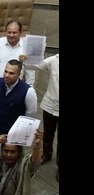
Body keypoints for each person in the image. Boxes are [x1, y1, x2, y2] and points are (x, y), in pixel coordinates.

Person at [21, 53, 59, 181]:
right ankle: (46, 154)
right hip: (50, 104)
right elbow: (37, 66)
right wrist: (26, 60)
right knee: (48, 133)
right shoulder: (54, 60)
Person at [0, 130, 43, 195]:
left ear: (19, 152)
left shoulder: (23, 165)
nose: (9, 155)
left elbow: (34, 163)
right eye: (6, 151)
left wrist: (37, 145)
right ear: (1, 151)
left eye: (13, 152)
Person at [0, 59, 37, 138]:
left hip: (12, 138)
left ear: (19, 74)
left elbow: (29, 116)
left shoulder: (28, 92)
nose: (7, 75)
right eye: (6, 71)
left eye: (11, 73)